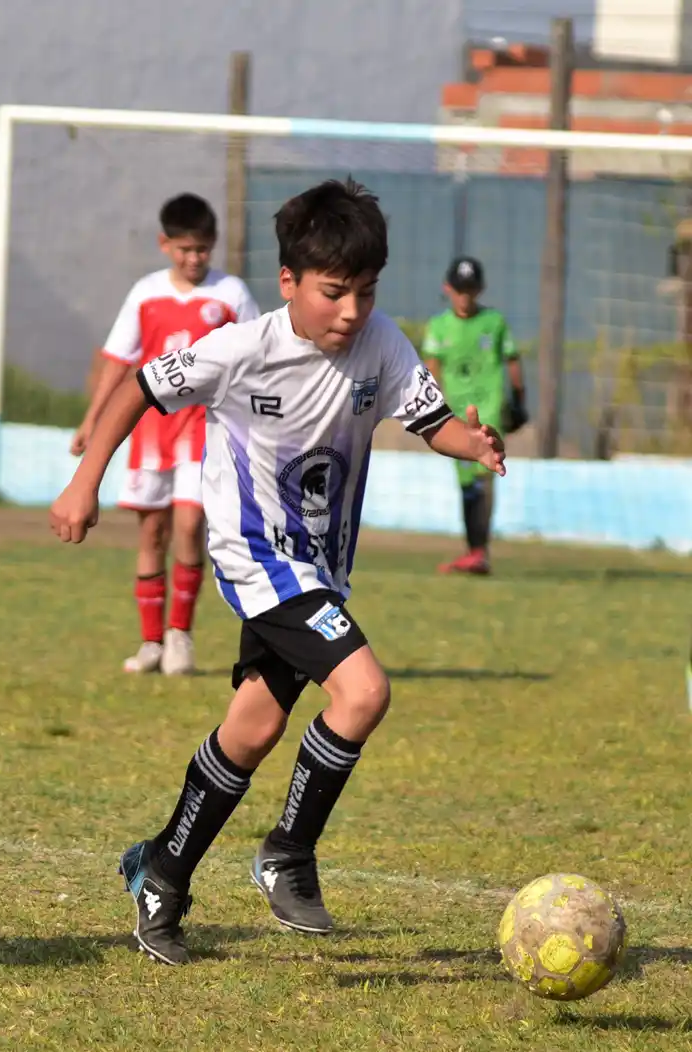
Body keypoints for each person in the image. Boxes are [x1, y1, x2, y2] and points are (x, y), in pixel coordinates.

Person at [49, 180, 506, 966]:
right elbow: (137, 387)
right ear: (289, 281)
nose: (352, 311)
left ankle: (160, 875)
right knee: (364, 692)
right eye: (334, 293)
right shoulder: (241, 348)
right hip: (256, 556)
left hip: (320, 566)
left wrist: (475, 442)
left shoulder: (383, 342)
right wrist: (85, 480)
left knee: (253, 730)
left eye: (365, 292)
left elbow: (431, 421)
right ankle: (288, 852)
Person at [72, 194, 259, 676]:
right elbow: (119, 359)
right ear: (164, 245)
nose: (193, 258)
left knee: (190, 527)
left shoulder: (232, 294)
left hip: (205, 431)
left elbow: (259, 358)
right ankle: (151, 641)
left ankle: (181, 637)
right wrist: (92, 421)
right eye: (183, 249)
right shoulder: (146, 293)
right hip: (151, 433)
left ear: (213, 245)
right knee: (152, 532)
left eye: (201, 249)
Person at [420, 256, 525, 576]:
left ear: (480, 289)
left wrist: (519, 400)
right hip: (456, 415)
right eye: (460, 290)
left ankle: (480, 552)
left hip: (488, 408)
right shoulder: (438, 327)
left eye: (471, 290)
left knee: (485, 473)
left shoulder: (494, 322)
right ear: (448, 289)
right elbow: (432, 371)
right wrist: (431, 412)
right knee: (467, 484)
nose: (465, 297)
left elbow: (512, 360)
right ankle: (474, 551)